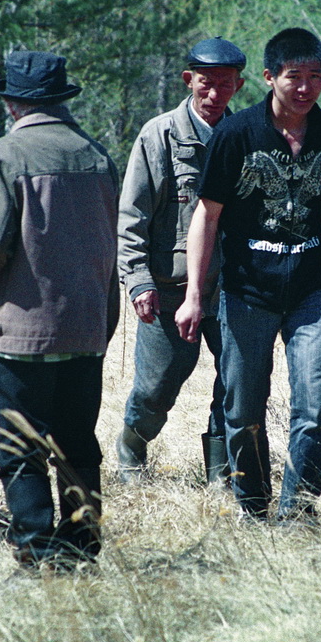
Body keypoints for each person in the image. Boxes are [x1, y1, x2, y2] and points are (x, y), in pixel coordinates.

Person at [175, 28, 321, 521]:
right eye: (295, 77)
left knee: (314, 410)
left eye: (316, 77)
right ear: (269, 78)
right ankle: (253, 506)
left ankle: (298, 513)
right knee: (243, 408)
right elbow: (207, 215)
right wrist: (194, 294)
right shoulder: (236, 134)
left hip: (312, 289)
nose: (306, 87)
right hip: (247, 291)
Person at [0, 50, 119, 566]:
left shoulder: (4, 156)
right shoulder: (97, 157)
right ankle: (81, 549)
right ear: (60, 99)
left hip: (28, 333)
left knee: (20, 446)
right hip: (87, 329)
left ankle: (34, 550)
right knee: (78, 443)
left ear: (12, 102)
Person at [116, 37, 246, 485]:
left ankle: (221, 475)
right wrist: (137, 281)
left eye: (225, 86)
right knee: (157, 387)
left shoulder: (247, 133)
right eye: (205, 84)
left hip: (234, 287)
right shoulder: (159, 135)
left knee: (236, 383)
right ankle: (132, 447)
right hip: (168, 289)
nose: (214, 96)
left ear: (239, 85)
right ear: (189, 80)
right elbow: (131, 215)